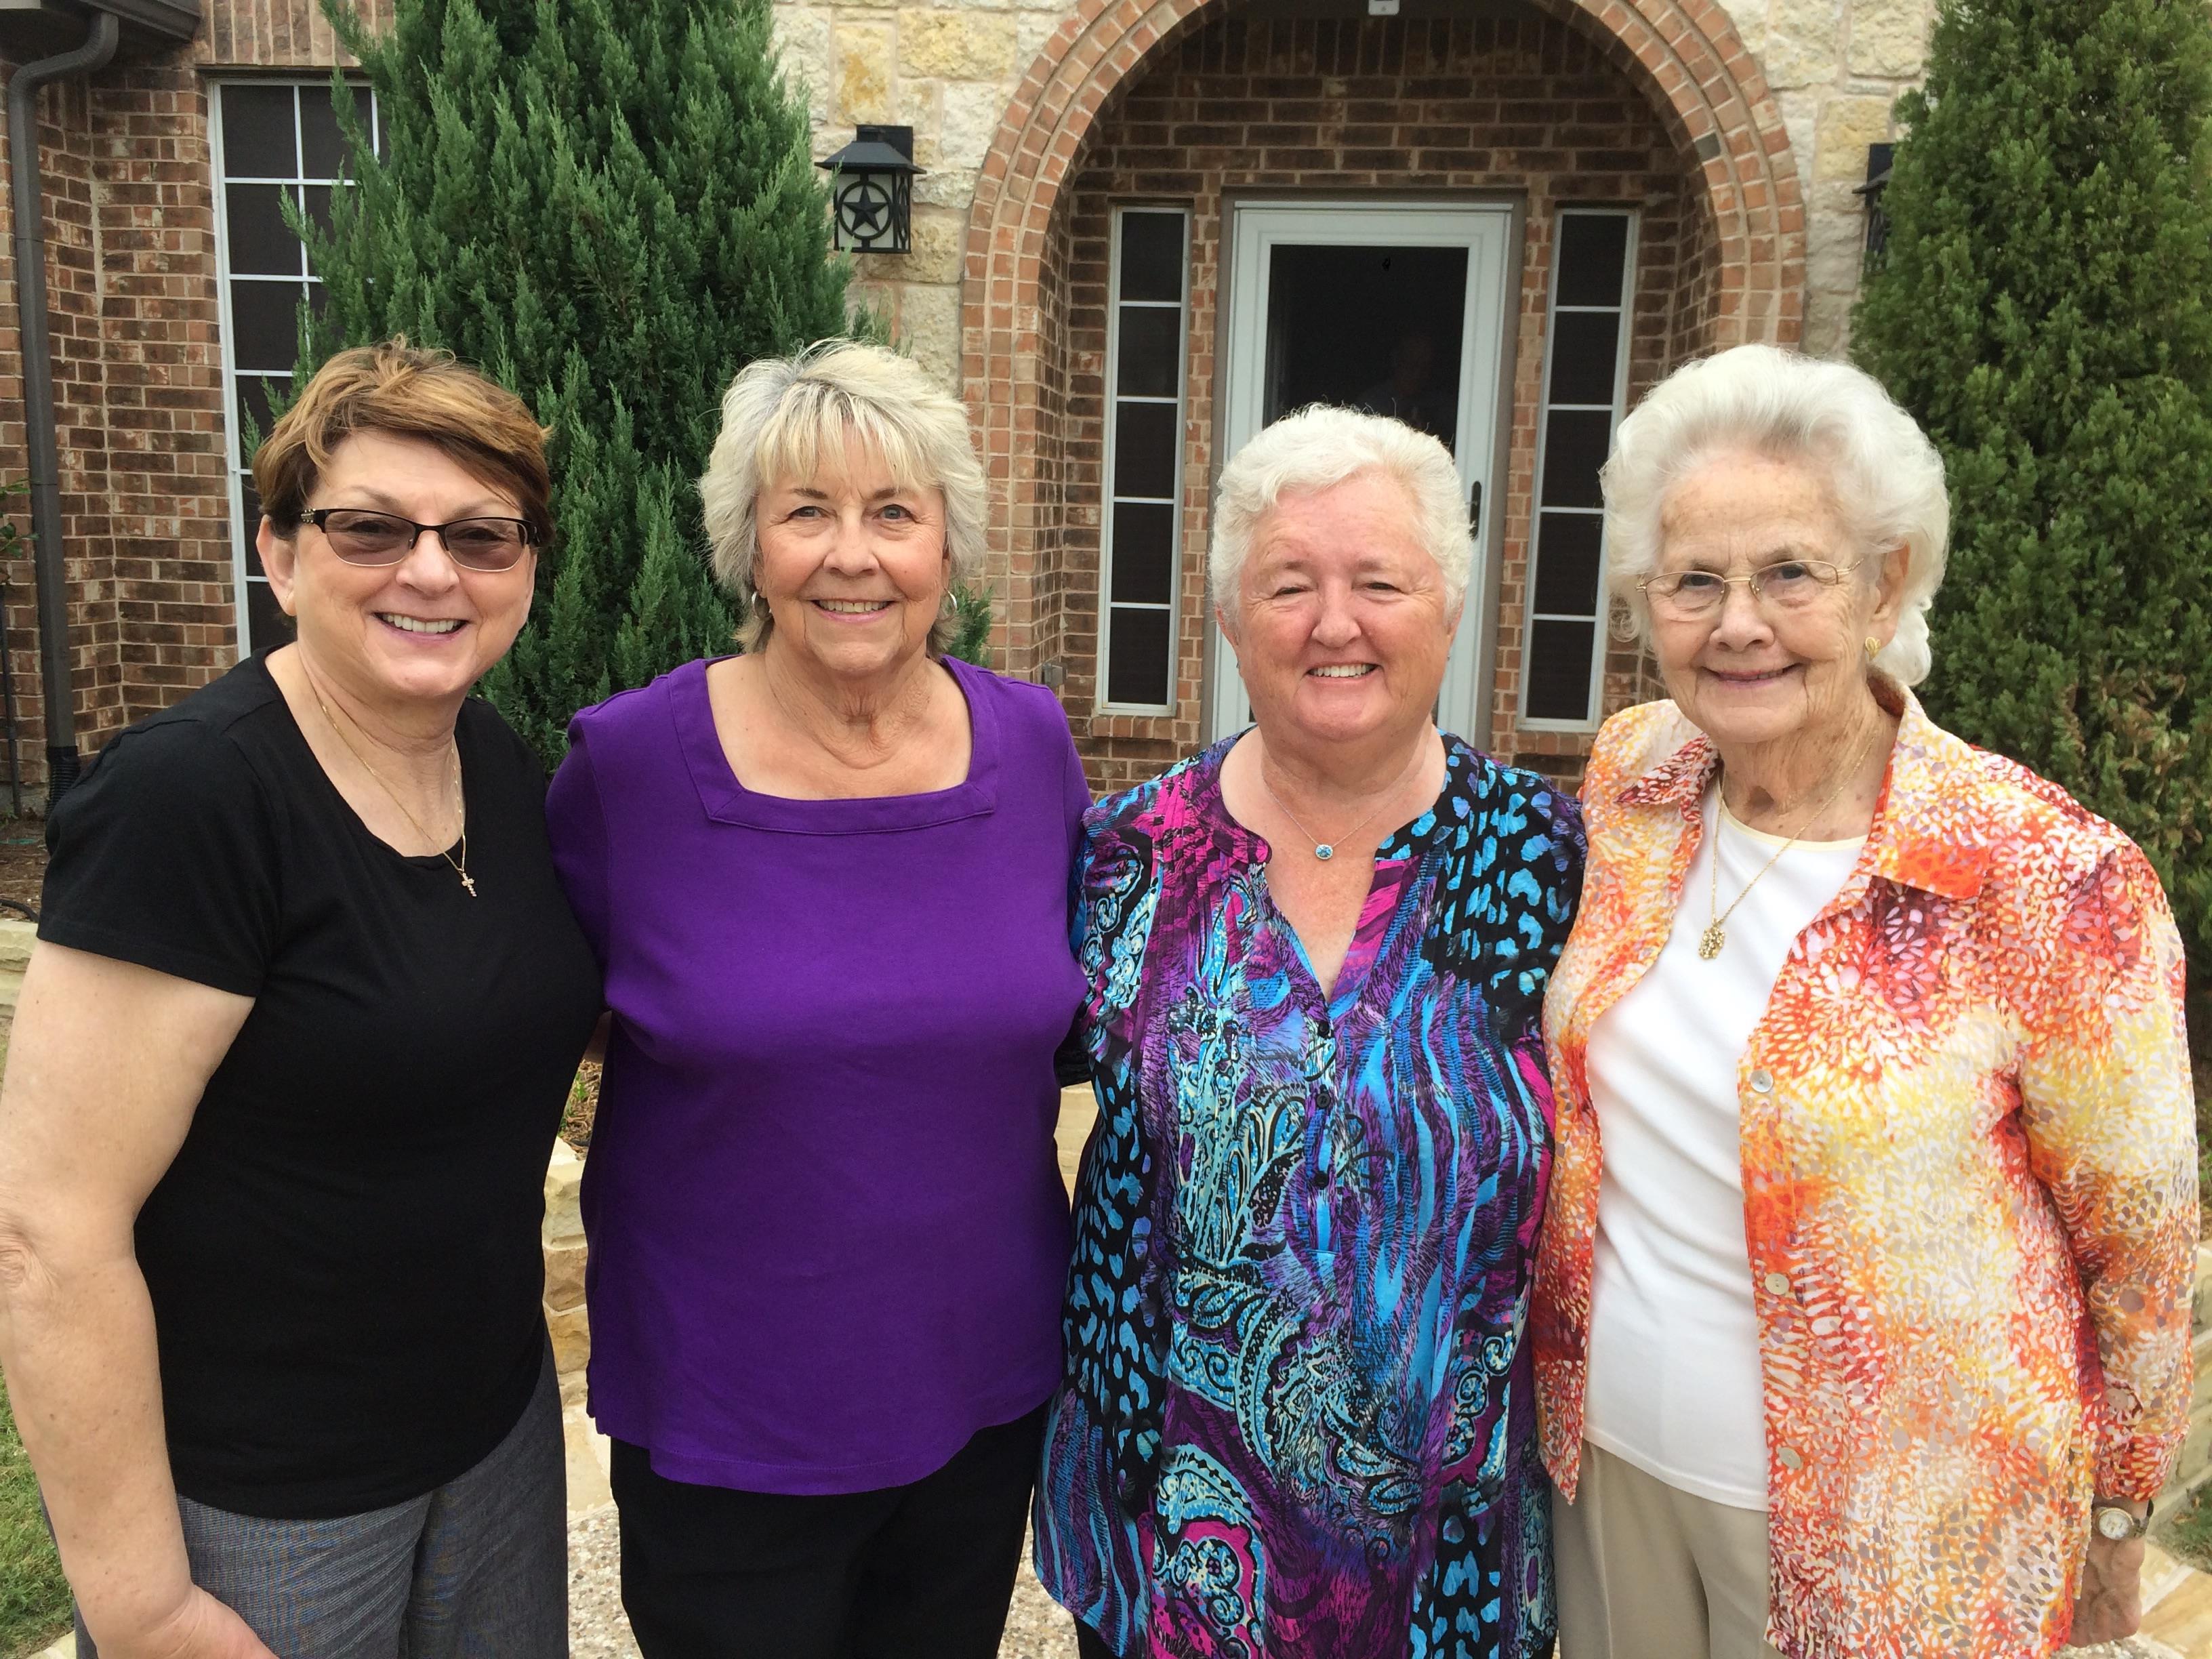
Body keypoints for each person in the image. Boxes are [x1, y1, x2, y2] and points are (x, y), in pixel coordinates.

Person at [1533, 344, 2198, 1659]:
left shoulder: (2045, 878)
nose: (1738, 623)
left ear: (1886, 583)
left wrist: (2120, 1519)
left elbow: (2143, 1248)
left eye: (1791, 573)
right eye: (1694, 581)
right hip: (1608, 1474)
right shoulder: (1635, 780)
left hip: (1900, 1526)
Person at [0, 340, 600, 1658]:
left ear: (524, 567)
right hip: (265, 1504)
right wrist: (145, 1607)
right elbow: (46, 1232)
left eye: (482, 535)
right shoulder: (192, 798)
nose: (432, 571)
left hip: (492, 1442)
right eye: (370, 529)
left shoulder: (493, 766)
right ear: (279, 554)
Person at [544, 340, 1088, 1658]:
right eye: (807, 513)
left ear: (947, 546)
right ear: (750, 545)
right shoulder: (630, 770)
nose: (854, 556)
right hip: (729, 1412)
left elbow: (1063, 1019)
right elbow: (542, 1025)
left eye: (894, 512)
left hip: (980, 1383)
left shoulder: (1032, 746)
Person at [1034, 405, 1584, 1659]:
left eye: (1379, 582)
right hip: (1166, 1545)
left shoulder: (1553, 862)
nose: (1335, 623)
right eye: (1289, 585)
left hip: (1452, 1567)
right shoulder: (1121, 858)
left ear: (1450, 608)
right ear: (1231, 618)